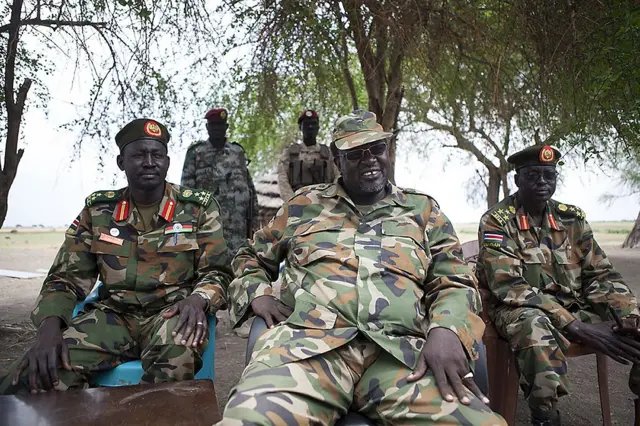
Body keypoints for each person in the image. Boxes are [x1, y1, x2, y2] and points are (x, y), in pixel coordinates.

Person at [218, 110, 506, 425]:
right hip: (307, 352)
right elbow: (250, 255)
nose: (369, 159)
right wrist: (258, 293)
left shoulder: (422, 211)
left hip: (403, 356)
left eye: (377, 149)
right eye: (355, 154)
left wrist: (446, 328)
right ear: (337, 162)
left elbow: (455, 281)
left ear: (387, 152)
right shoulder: (303, 207)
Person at [0, 118, 233, 395]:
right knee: (33, 374)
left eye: (156, 154)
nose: (149, 162)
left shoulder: (197, 209)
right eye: (138, 154)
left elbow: (218, 272)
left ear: (167, 162)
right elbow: (65, 278)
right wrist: (50, 328)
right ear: (121, 162)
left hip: (171, 313)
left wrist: (199, 298)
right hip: (112, 318)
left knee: (177, 354)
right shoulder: (99, 211)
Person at [476, 145, 640, 426]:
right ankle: (546, 416)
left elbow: (600, 274)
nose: (542, 183)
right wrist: (573, 325)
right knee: (534, 328)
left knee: (637, 325)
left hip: (571, 306)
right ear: (518, 180)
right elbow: (509, 286)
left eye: (548, 176)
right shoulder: (497, 221)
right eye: (533, 175)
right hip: (517, 309)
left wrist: (628, 314)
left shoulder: (571, 219)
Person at [181, 107, 259, 256]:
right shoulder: (196, 153)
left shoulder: (237, 152)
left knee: (239, 271)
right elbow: (187, 194)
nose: (217, 128)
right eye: (213, 125)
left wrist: (255, 223)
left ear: (226, 127)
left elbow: (250, 189)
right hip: (208, 229)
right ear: (207, 127)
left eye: (220, 124)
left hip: (239, 229)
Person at [277, 109, 339, 201]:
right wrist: (293, 202)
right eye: (306, 124)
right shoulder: (289, 154)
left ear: (318, 127)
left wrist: (331, 199)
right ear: (300, 127)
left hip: (325, 203)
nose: (310, 127)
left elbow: (338, 177)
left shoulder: (329, 153)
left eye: (314, 124)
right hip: (297, 204)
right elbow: (283, 181)